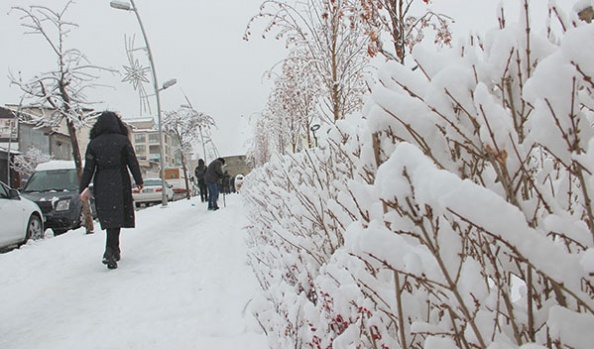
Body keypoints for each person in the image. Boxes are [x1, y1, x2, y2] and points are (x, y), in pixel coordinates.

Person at [79, 111, 144, 270]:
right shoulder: (122, 140)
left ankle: (114, 249)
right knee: (118, 214)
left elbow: (88, 168)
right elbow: (132, 161)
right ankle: (110, 250)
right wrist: (138, 180)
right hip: (120, 179)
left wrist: (83, 187)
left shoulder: (94, 143)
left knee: (110, 215)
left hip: (101, 181)